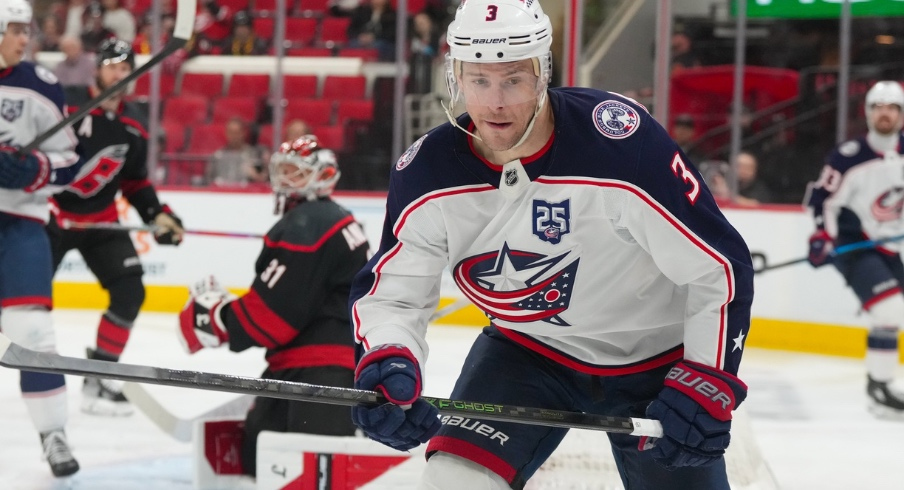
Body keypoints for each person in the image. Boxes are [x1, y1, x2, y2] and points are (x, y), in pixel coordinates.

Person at [347, 1, 754, 489]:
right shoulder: (427, 174)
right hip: (528, 355)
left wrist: (707, 378)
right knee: (453, 482)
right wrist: (390, 359)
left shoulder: (618, 144)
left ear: (542, 74)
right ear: (454, 76)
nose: (495, 103)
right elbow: (393, 293)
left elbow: (717, 268)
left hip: (656, 363)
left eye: (513, 80)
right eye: (479, 80)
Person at [178, 135, 369, 475]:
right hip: (321, 369)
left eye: (295, 172)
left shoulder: (307, 224)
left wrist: (216, 319)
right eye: (282, 170)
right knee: (263, 458)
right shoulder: (336, 218)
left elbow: (270, 317)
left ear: (323, 176)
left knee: (289, 470)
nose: (282, 180)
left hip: (318, 376)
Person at [45, 38, 185, 417]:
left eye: (127, 69)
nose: (120, 75)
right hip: (53, 215)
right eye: (114, 67)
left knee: (130, 291)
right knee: (27, 297)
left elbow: (136, 183)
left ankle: (99, 374)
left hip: (101, 221)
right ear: (99, 69)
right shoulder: (64, 103)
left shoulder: (132, 127)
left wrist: (159, 214)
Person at [0, 0, 86, 477]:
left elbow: (70, 161)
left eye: (25, 29)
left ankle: (53, 434)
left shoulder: (40, 84)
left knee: (31, 333)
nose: (23, 38)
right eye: (13, 29)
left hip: (19, 224)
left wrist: (33, 168)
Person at [806, 80, 904, 418]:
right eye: (878, 107)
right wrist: (821, 235)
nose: (885, 113)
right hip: (856, 245)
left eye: (892, 107)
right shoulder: (849, 157)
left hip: (894, 247)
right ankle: (880, 386)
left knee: (887, 317)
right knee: (891, 311)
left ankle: (879, 389)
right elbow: (822, 200)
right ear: (867, 112)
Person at [207, 117, 267, 186]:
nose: (234, 136)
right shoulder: (218, 156)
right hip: (222, 193)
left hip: (246, 194)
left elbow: (262, 178)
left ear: (243, 133)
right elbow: (209, 180)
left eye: (237, 133)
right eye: (231, 132)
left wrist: (253, 174)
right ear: (226, 133)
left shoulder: (253, 154)